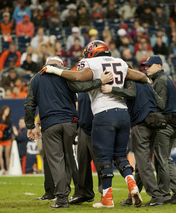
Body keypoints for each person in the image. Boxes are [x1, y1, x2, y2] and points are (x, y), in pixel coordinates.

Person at [42, 40, 149, 208]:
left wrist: (54, 69)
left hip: (104, 114)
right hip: (123, 114)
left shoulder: (91, 62)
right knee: (120, 156)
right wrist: (148, 80)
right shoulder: (119, 62)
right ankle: (132, 184)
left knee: (104, 158)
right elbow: (141, 77)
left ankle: (107, 198)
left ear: (92, 51)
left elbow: (77, 77)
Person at [25, 55, 114, 208]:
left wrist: (30, 126)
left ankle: (61, 198)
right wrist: (100, 81)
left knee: (56, 161)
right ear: (60, 63)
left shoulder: (36, 79)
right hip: (69, 123)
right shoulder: (66, 73)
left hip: (50, 124)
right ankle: (76, 191)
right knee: (68, 158)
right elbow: (81, 88)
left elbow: (29, 105)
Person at [102, 63, 165, 207]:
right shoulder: (146, 83)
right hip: (153, 121)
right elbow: (160, 103)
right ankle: (133, 195)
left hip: (141, 124)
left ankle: (156, 196)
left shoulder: (130, 81)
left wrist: (112, 89)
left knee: (143, 163)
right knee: (142, 161)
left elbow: (131, 93)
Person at [141, 55, 176, 204]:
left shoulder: (160, 81)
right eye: (146, 65)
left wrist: (149, 87)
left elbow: (160, 105)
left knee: (161, 161)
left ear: (159, 66)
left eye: (149, 65)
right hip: (171, 124)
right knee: (166, 160)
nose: (146, 68)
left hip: (164, 125)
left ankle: (163, 194)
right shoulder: (165, 79)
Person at [69, 92, 101, 205]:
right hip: (83, 128)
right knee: (82, 161)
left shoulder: (96, 83)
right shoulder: (82, 89)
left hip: (96, 127)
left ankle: (105, 192)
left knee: (100, 162)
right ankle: (85, 192)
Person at [0, 106, 13, 175]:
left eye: (8, 111)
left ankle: (8, 169)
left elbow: (10, 130)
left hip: (7, 139)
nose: (7, 112)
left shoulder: (9, 120)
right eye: (6, 110)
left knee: (7, 155)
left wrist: (5, 134)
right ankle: (2, 169)